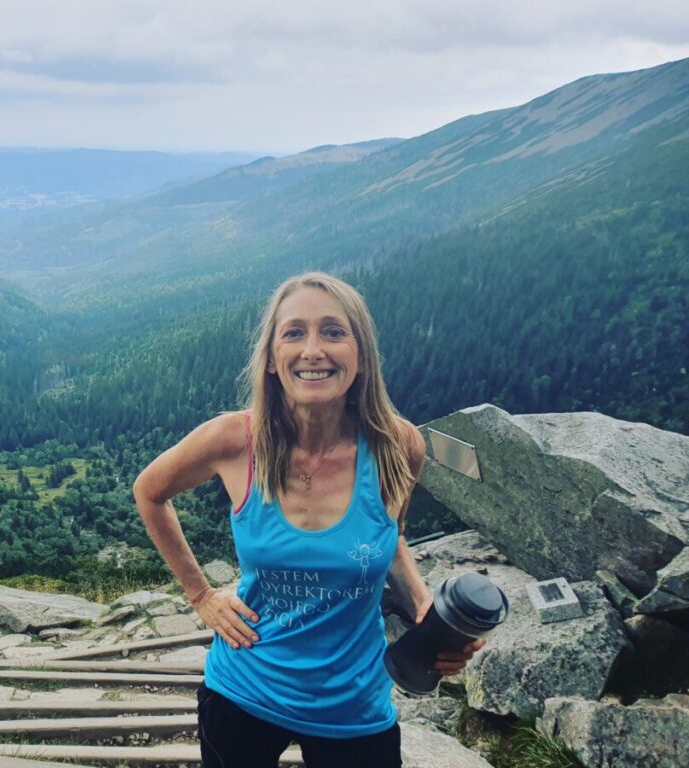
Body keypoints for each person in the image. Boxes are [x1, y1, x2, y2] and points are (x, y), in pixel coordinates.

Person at [133, 272, 484, 768]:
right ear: (271, 358)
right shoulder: (234, 440)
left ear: (361, 355)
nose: (313, 350)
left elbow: (391, 538)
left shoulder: (397, 445)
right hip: (245, 688)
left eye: (333, 332)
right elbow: (150, 492)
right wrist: (201, 595)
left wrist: (426, 610)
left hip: (353, 700)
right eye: (294, 333)